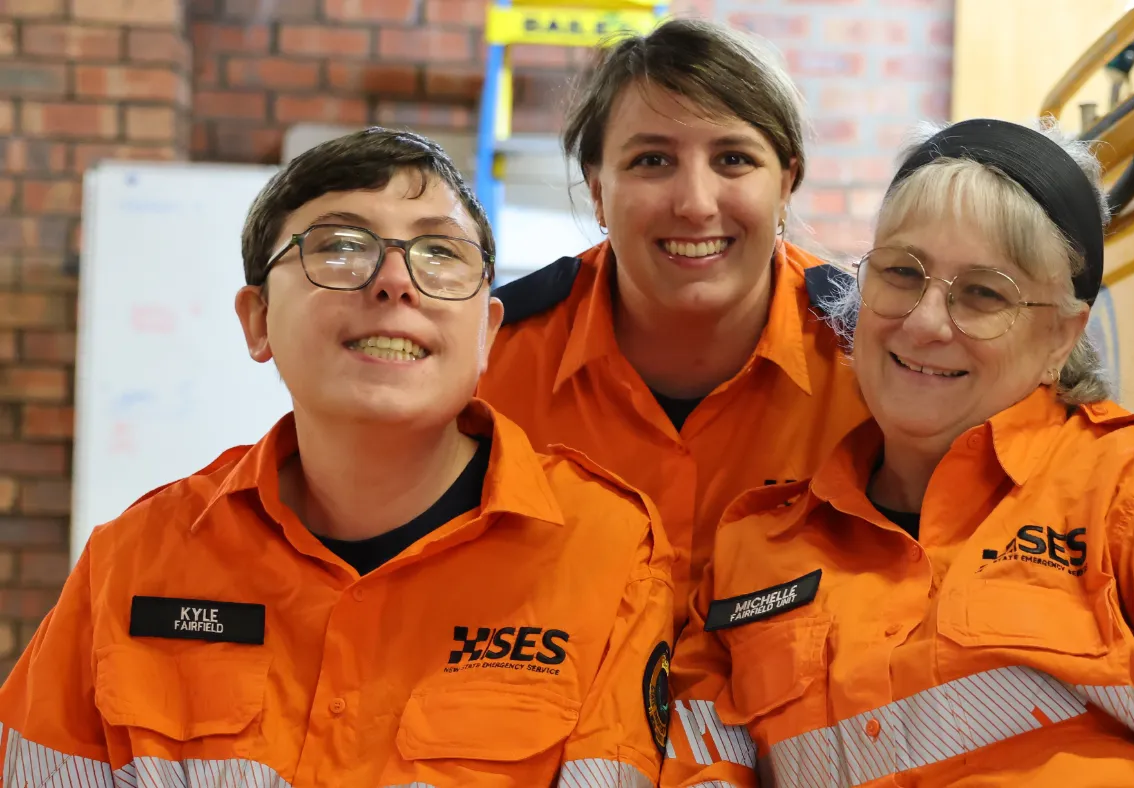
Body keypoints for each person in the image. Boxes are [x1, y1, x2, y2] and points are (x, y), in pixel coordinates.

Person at [660, 118, 1134, 785]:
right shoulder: (755, 548)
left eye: (984, 295)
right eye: (902, 273)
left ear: (1061, 340)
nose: (924, 323)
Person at [0, 128, 675, 787]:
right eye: (341, 246)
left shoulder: (607, 554)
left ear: (487, 336)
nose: (394, 282)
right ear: (257, 320)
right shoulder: (133, 563)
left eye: (439, 252)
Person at [478, 18, 869, 629]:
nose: (694, 203)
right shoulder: (489, 365)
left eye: (734, 159)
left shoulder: (876, 355)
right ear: (598, 190)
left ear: (786, 184)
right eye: (652, 159)